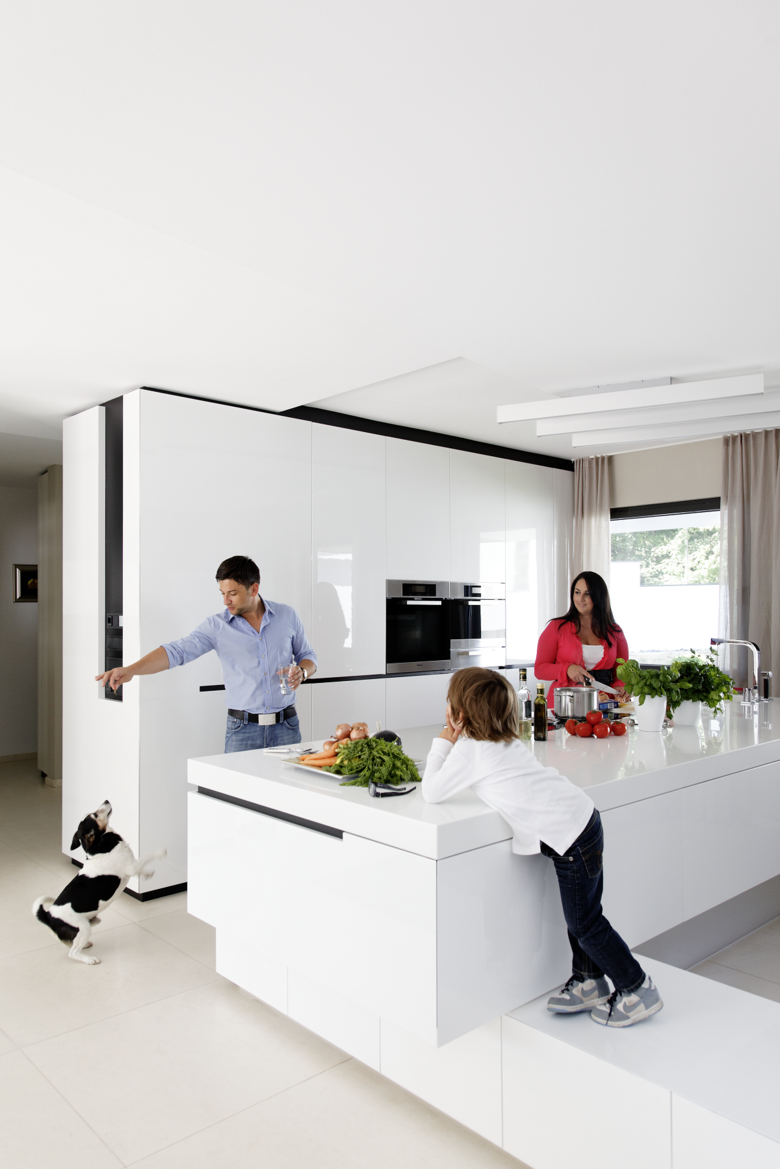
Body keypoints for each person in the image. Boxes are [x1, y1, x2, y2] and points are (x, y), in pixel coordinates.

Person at [422, 667, 663, 1027]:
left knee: (585, 924)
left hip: (572, 838)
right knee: (583, 916)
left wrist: (444, 740)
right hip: (583, 822)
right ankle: (588, 980)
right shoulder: (506, 741)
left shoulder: (470, 750)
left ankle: (637, 987)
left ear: (459, 714)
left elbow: (432, 791)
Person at [95, 555, 317, 753]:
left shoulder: (287, 616)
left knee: (287, 786)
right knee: (237, 788)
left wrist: (302, 671)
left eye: (232, 593)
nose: (225, 600)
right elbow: (177, 651)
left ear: (254, 589)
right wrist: (131, 670)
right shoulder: (217, 626)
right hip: (242, 730)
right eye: (222, 593)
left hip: (287, 726)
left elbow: (308, 656)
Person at [535, 571, 629, 699]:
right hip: (564, 703)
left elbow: (623, 673)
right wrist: (567, 669)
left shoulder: (615, 631)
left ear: (599, 597)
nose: (580, 599)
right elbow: (539, 670)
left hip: (604, 703)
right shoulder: (556, 627)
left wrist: (619, 686)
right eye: (577, 592)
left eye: (587, 594)